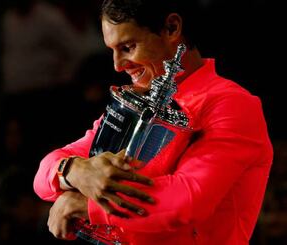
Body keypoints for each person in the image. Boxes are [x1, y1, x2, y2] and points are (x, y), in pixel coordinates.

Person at [33, 0, 273, 244]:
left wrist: (88, 205)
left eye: (128, 47)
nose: (117, 65)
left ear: (171, 28)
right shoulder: (136, 100)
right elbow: (45, 173)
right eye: (112, 50)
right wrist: (73, 171)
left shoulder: (233, 105)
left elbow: (186, 200)